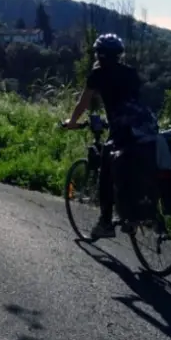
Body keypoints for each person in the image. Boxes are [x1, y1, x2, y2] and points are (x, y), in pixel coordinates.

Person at [62, 33, 157, 239]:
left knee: (106, 172)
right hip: (147, 126)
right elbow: (131, 101)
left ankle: (105, 223)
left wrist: (71, 122)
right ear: (119, 54)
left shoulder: (98, 74)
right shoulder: (131, 72)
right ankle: (134, 213)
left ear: (99, 54)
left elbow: (84, 103)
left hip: (123, 129)